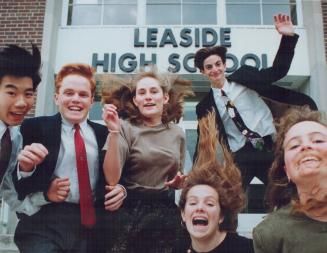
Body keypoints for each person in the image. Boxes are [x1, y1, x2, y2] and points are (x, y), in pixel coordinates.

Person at [193, 14, 317, 199]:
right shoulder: (204, 106)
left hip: (267, 147)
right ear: (203, 72)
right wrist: (194, 173)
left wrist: (288, 38)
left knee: (286, 195)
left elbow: (278, 71)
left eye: (218, 64)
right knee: (230, 200)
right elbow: (201, 142)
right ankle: (229, 228)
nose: (215, 69)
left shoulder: (245, 77)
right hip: (240, 156)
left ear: (224, 65)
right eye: (209, 67)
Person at [12, 63, 126, 253]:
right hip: (44, 222)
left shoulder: (105, 133)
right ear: (57, 98)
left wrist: (122, 189)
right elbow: (17, 186)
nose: (76, 99)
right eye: (69, 93)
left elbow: (121, 175)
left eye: (83, 95)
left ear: (91, 101)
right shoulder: (34, 128)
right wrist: (25, 167)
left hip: (92, 226)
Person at [101, 69, 193, 252]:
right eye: (142, 93)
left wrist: (178, 183)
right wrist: (113, 132)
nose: (148, 97)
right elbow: (111, 179)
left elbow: (176, 175)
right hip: (129, 211)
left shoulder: (178, 133)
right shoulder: (124, 128)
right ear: (135, 100)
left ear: (165, 97)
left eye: (154, 91)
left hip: (165, 212)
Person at [176, 111, 254, 253]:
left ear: (221, 216)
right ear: (183, 214)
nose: (199, 208)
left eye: (210, 203)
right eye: (193, 203)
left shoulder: (248, 249)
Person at [253, 107, 327, 253]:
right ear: (287, 171)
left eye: (318, 140)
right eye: (294, 145)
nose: (306, 146)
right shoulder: (270, 234)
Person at [0, 44, 48, 215]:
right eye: (11, 93)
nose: (22, 103)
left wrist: (45, 199)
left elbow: (7, 187)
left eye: (28, 94)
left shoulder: (14, 137)